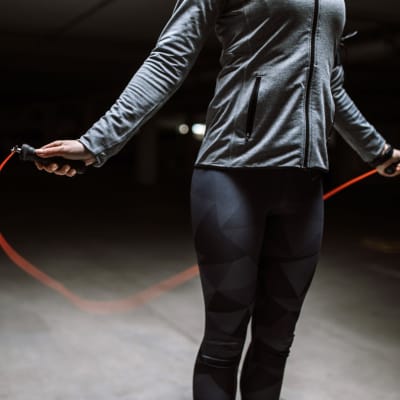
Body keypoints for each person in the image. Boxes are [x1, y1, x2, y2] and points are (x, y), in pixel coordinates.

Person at [35, 1, 400, 399]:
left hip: (304, 184)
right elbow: (169, 58)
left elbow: (329, 82)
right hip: (231, 174)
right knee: (224, 342)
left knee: (276, 343)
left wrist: (376, 151)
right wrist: (97, 142)